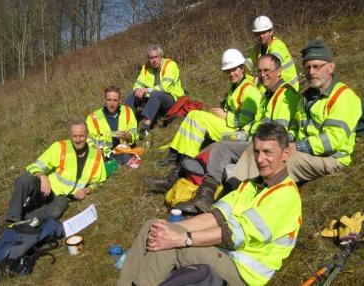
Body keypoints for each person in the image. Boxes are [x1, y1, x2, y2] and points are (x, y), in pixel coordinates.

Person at [118, 123, 302, 286]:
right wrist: (172, 227)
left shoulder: (285, 196)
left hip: (244, 272)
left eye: (268, 152)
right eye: (256, 151)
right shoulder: (251, 185)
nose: (260, 159)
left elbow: (232, 235)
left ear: (285, 154)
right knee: (154, 227)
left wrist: (182, 238)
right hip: (226, 252)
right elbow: (216, 216)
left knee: (171, 245)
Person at [146, 54, 300, 214]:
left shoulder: (279, 95)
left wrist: (239, 130)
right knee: (209, 145)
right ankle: (179, 177)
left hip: (260, 141)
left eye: (267, 70)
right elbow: (259, 124)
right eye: (260, 71)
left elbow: (274, 132)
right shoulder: (267, 95)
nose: (262, 75)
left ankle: (205, 195)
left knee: (219, 146)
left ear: (279, 72)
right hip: (253, 137)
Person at [231, 39, 362, 183]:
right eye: (307, 68)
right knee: (259, 148)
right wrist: (279, 141)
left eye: (316, 66)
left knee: (279, 161)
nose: (311, 72)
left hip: (331, 157)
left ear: (331, 67)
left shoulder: (344, 96)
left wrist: (298, 146)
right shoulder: (305, 97)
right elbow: (294, 128)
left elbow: (334, 139)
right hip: (305, 152)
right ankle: (232, 189)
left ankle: (258, 195)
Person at [159, 48, 262, 165]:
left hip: (240, 134)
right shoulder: (236, 85)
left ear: (242, 68)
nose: (231, 74)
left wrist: (225, 116)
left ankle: (185, 163)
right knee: (193, 114)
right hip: (232, 126)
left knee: (198, 119)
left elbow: (244, 120)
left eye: (234, 70)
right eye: (228, 71)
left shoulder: (249, 90)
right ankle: (175, 154)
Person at [5, 120, 106, 223]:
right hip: (45, 186)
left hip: (61, 196)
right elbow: (35, 166)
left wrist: (86, 190)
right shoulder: (60, 147)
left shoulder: (96, 156)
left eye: (81, 136)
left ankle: (24, 219)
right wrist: (43, 177)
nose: (78, 140)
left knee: (55, 211)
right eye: (74, 136)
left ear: (87, 136)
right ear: (70, 136)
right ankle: (12, 218)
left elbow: (99, 181)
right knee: (24, 180)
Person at [124, 44, 185, 142]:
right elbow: (138, 83)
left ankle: (145, 128)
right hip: (152, 99)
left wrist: (146, 90)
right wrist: (137, 90)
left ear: (161, 56)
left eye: (156, 57)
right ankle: (128, 126)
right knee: (131, 96)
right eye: (151, 58)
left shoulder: (170, 65)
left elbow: (166, 87)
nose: (154, 60)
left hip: (171, 99)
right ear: (148, 58)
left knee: (156, 94)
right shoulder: (146, 67)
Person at [86, 85, 139, 166]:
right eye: (109, 100)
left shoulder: (128, 111)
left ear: (120, 101)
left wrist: (128, 136)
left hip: (124, 150)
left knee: (127, 158)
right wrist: (111, 136)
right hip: (103, 153)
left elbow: (134, 133)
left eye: (115, 100)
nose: (111, 104)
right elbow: (90, 140)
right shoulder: (92, 118)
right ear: (104, 100)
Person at [246, 15, 299, 92]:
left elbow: (270, 67)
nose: (261, 36)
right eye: (258, 34)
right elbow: (245, 67)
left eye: (263, 33)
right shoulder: (257, 49)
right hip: (273, 87)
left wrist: (254, 85)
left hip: (288, 88)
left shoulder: (277, 46)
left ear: (271, 32)